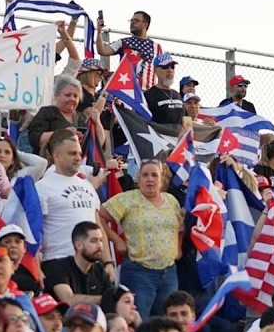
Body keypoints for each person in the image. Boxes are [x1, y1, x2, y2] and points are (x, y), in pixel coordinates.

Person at [102, 159, 182, 317]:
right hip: (139, 273)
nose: (150, 179)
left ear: (162, 179)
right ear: (138, 178)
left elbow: (180, 228)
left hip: (169, 273)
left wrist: (178, 248)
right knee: (138, 321)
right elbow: (99, 216)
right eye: (145, 175)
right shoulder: (127, 199)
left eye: (154, 175)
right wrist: (116, 240)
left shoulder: (172, 201)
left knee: (167, 322)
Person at [38, 130, 103, 261]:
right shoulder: (41, 187)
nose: (78, 158)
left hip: (90, 262)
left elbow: (98, 225)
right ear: (57, 156)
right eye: (72, 153)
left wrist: (108, 262)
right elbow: (34, 231)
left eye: (79, 153)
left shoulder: (87, 185)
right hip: (58, 260)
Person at [42, 221, 112, 306]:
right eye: (94, 241)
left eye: (101, 240)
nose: (100, 246)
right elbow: (68, 299)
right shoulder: (58, 267)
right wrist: (106, 299)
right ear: (78, 245)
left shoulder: (100, 271)